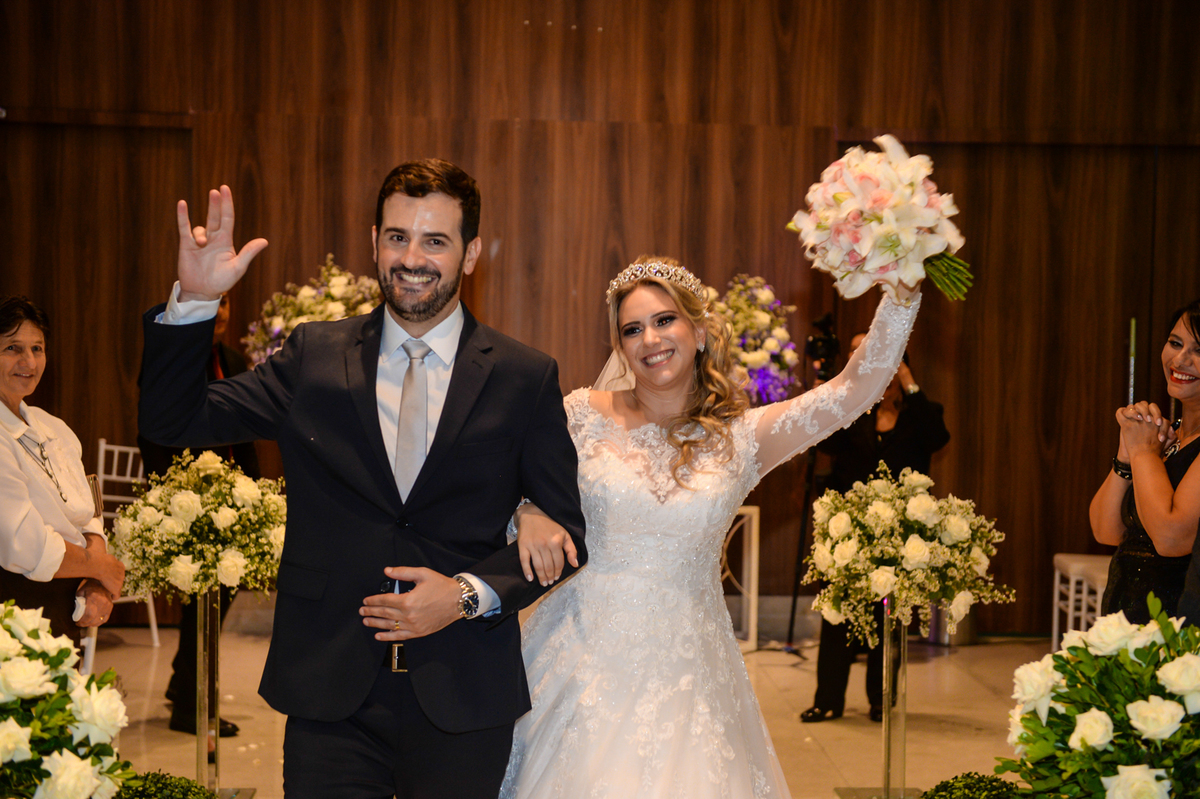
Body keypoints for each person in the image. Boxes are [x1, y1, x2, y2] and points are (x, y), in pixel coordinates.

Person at [138, 159, 587, 798]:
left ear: (470, 254)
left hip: (463, 691)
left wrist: (464, 594)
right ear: (374, 241)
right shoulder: (314, 356)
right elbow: (172, 419)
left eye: (435, 240)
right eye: (398, 236)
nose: (412, 258)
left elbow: (566, 534)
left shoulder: (524, 377)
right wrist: (195, 303)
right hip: (330, 692)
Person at [500, 257, 922, 798]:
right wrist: (527, 510)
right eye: (632, 329)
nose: (650, 339)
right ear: (620, 346)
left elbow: (853, 391)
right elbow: (509, 483)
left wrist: (902, 297)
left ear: (698, 332)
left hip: (689, 669)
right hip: (577, 657)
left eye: (664, 320)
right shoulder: (581, 414)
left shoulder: (744, 437)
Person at [801, 335, 950, 723]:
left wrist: (906, 377)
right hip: (849, 530)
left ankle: (881, 699)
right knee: (837, 616)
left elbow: (937, 437)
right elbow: (823, 440)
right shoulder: (853, 412)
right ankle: (828, 699)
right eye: (858, 354)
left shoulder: (921, 412)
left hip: (898, 534)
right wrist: (834, 393)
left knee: (889, 618)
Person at [138, 293, 260, 738]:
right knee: (203, 601)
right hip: (185, 500)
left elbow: (246, 432)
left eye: (226, 302)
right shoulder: (174, 356)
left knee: (214, 599)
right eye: (213, 302)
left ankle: (184, 687)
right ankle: (191, 704)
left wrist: (254, 492)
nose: (222, 312)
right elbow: (152, 429)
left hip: (231, 501)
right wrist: (168, 494)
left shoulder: (233, 359)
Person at [0, 296, 125, 645]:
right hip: (14, 607)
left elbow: (89, 512)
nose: (28, 361)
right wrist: (99, 567)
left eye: (37, 348)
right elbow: (24, 543)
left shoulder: (53, 427)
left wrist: (95, 579)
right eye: (12, 348)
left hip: (67, 602)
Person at [1092, 299, 1200, 623]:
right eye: (1175, 343)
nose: (1180, 360)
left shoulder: (1153, 446)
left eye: (1198, 350)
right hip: (1125, 624)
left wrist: (1143, 451)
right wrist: (1127, 455)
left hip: (1175, 631)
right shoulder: (1167, 436)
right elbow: (1106, 530)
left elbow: (1170, 538)